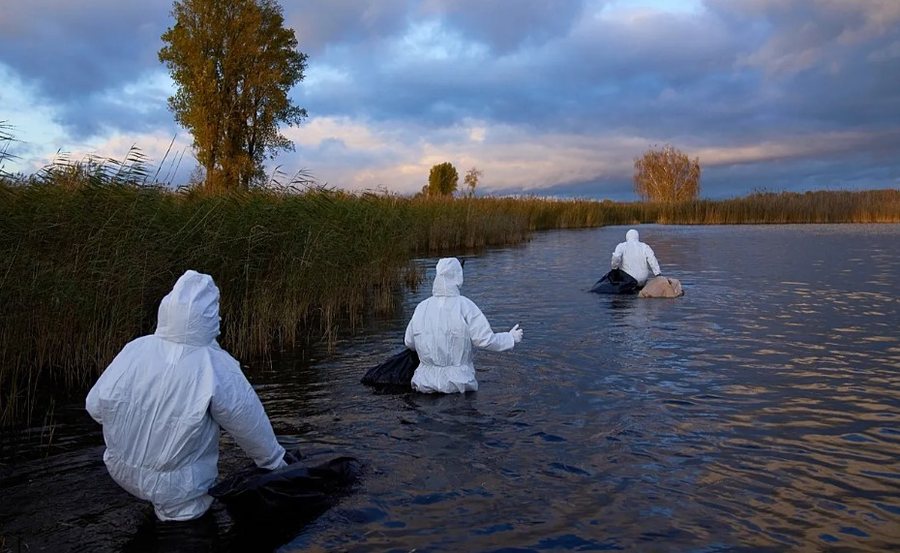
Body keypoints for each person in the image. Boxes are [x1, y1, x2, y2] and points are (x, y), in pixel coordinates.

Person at [86, 270, 287, 522]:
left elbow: (94, 406)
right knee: (186, 534)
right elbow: (247, 421)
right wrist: (275, 463)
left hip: (121, 469)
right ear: (212, 315)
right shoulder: (214, 364)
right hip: (181, 489)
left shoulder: (136, 349)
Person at [404, 257, 523, 393]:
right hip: (459, 385)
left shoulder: (421, 307)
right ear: (458, 277)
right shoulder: (465, 306)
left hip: (423, 384)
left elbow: (409, 342)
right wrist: (510, 338)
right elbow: (484, 340)